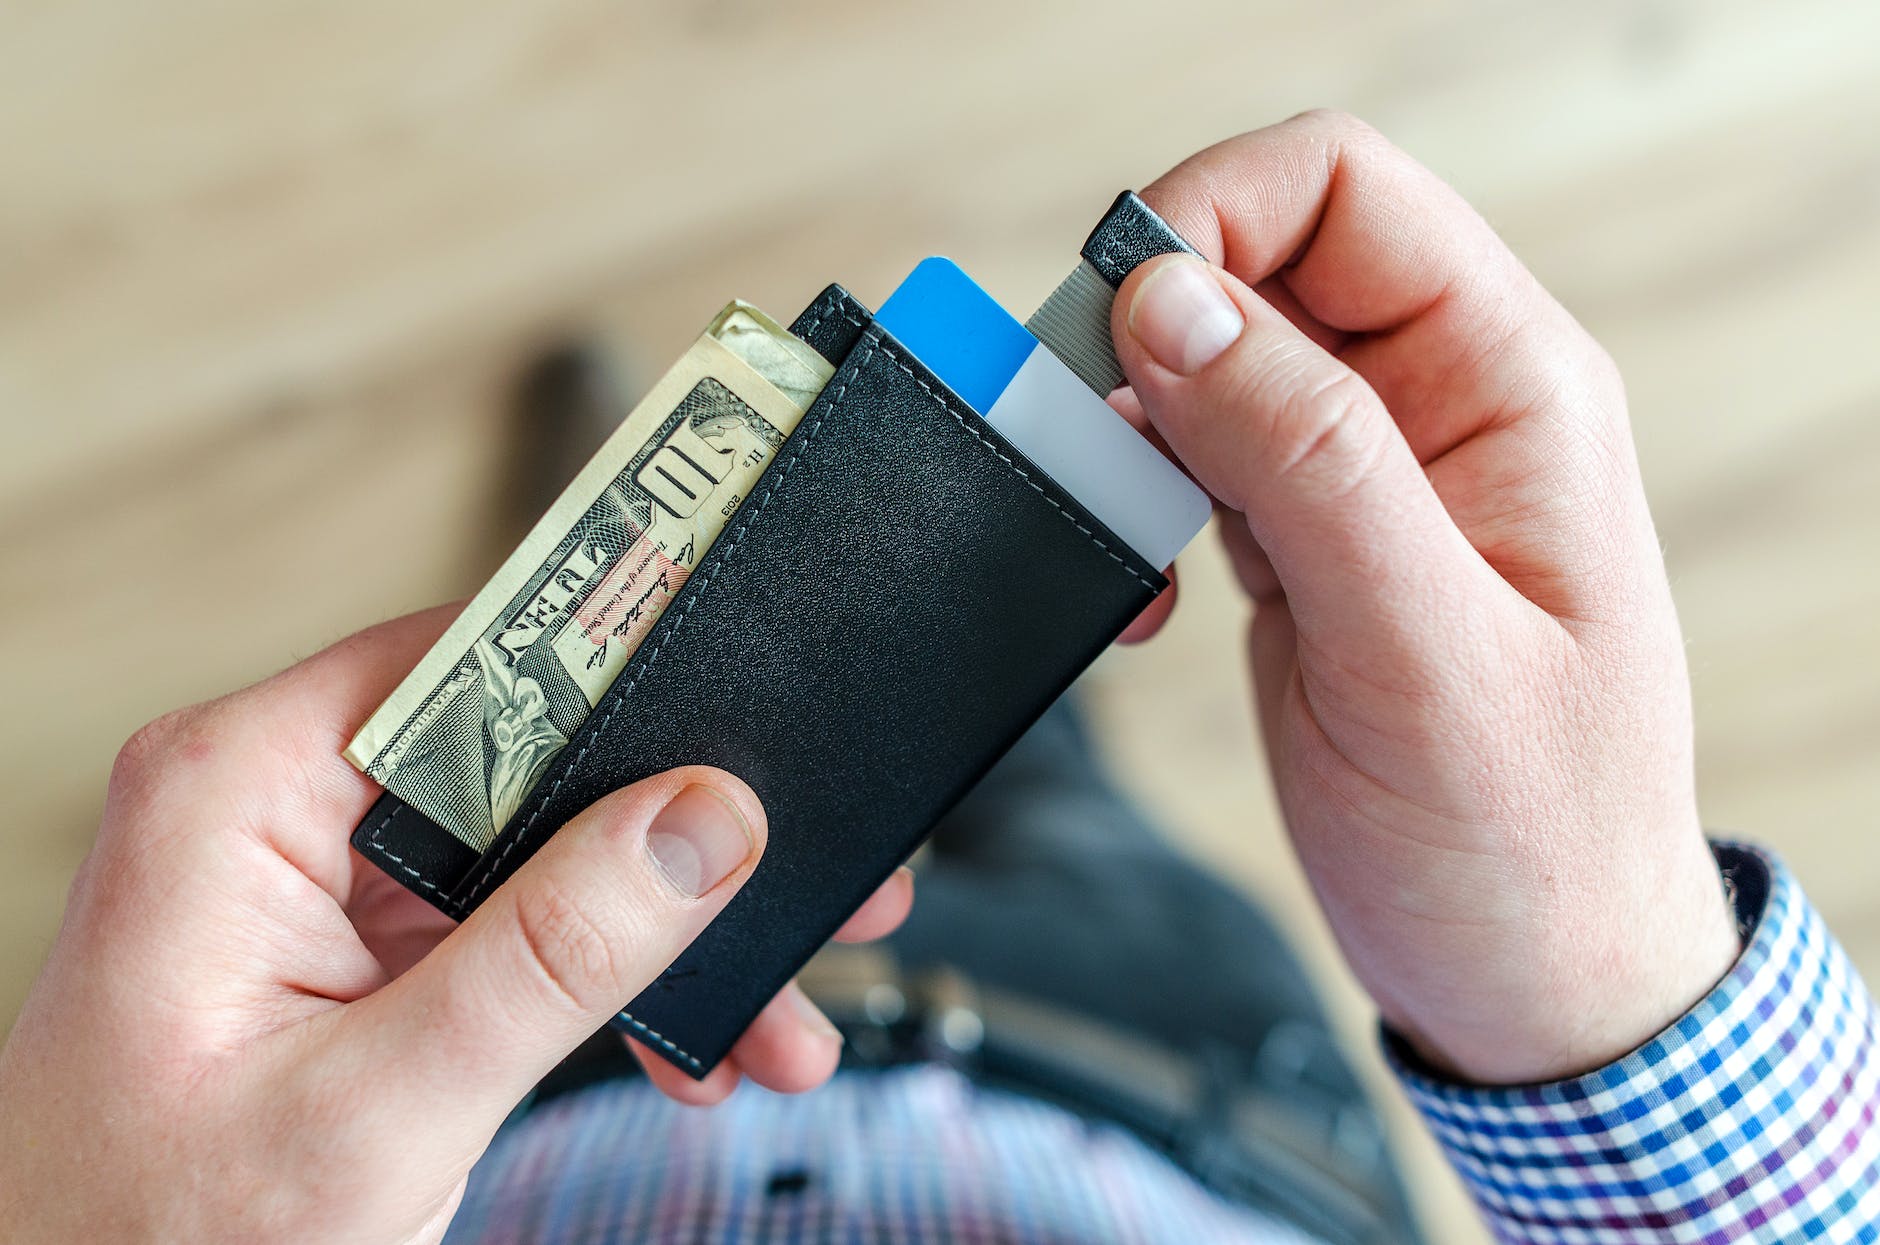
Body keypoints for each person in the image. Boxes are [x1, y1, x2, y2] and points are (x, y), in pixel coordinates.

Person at [1, 110, 1874, 1243]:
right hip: (1188, 1076)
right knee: (1011, 725)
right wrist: (1607, 979)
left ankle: (864, 564)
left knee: (810, 666)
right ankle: (954, 595)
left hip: (515, 1101)